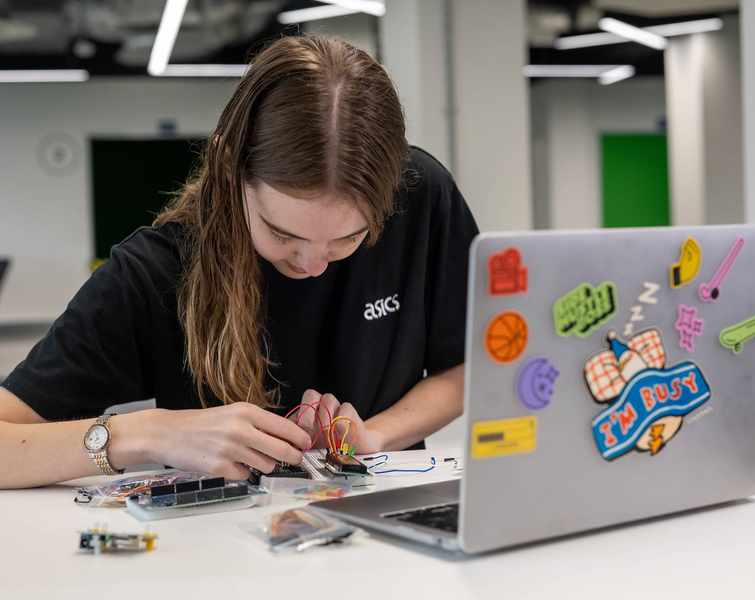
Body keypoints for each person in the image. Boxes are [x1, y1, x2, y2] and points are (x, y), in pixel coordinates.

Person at [0, 34, 478, 489]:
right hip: (218, 560)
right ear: (231, 168)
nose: (313, 264)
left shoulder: (422, 195)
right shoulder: (155, 273)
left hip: (390, 544)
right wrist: (147, 433)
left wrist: (375, 436)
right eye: (282, 234)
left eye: (349, 239)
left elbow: (467, 366)